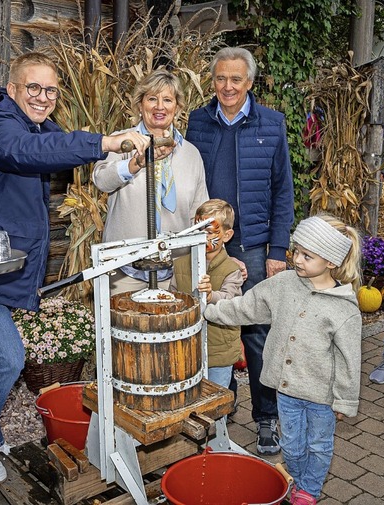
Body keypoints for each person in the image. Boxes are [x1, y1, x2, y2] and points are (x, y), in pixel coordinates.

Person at [0, 52, 150, 487]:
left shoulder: (38, 126)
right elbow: (23, 152)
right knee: (7, 357)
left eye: (51, 90)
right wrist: (105, 141)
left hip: (4, 266)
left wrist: (126, 160)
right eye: (33, 88)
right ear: (13, 89)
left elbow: (63, 150)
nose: (42, 97)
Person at [204, 214, 362, 505]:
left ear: (330, 261)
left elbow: (349, 360)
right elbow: (245, 307)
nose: (297, 260)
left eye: (307, 255)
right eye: (296, 251)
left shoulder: (344, 308)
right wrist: (210, 307)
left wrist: (345, 400)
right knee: (291, 446)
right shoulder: (284, 284)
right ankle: (300, 483)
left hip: (321, 396)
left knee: (318, 445)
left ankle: (308, 491)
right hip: (287, 391)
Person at [185, 46, 294, 455]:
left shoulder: (272, 123)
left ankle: (266, 419)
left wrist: (277, 248)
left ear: (250, 82)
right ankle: (220, 409)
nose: (227, 87)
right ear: (212, 81)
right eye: (220, 79)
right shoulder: (198, 121)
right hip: (205, 245)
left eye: (236, 79)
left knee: (256, 335)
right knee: (210, 326)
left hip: (251, 246)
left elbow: (283, 191)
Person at [92, 69, 209, 294]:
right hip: (123, 269)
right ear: (140, 104)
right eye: (152, 99)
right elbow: (101, 180)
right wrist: (135, 164)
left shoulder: (191, 154)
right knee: (122, 328)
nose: (159, 107)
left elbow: (199, 213)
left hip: (175, 274)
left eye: (167, 100)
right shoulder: (122, 142)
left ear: (178, 107)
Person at [171, 199, 244, 388]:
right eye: (198, 230)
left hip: (219, 352)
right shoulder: (180, 264)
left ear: (227, 235)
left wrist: (211, 296)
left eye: (209, 232)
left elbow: (232, 302)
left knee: (215, 402)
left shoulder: (232, 269)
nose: (202, 237)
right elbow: (172, 298)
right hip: (187, 349)